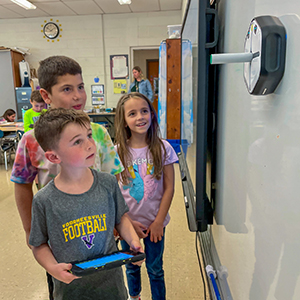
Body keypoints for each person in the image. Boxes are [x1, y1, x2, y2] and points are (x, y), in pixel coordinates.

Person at [11, 55, 124, 300]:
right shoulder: (30, 140)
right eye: (67, 89)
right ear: (46, 95)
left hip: (99, 231)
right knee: (64, 286)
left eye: (80, 87)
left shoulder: (98, 133)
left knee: (107, 283)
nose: (78, 96)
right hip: (59, 238)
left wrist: (117, 221)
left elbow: (111, 179)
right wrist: (32, 231)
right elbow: (22, 186)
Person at [30, 108, 144, 299]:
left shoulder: (108, 183)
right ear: (54, 157)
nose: (90, 145)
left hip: (112, 287)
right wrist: (53, 268)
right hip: (71, 291)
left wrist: (133, 240)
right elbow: (38, 244)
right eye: (77, 141)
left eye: (89, 135)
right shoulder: (44, 200)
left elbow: (121, 218)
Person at [114, 92, 178, 300]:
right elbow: (113, 193)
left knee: (155, 269)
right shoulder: (117, 153)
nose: (140, 117)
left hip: (155, 224)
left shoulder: (162, 147)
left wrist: (159, 221)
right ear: (124, 121)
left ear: (152, 114)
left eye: (144, 111)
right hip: (128, 225)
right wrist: (126, 223)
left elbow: (169, 188)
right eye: (132, 113)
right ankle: (135, 296)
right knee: (132, 266)